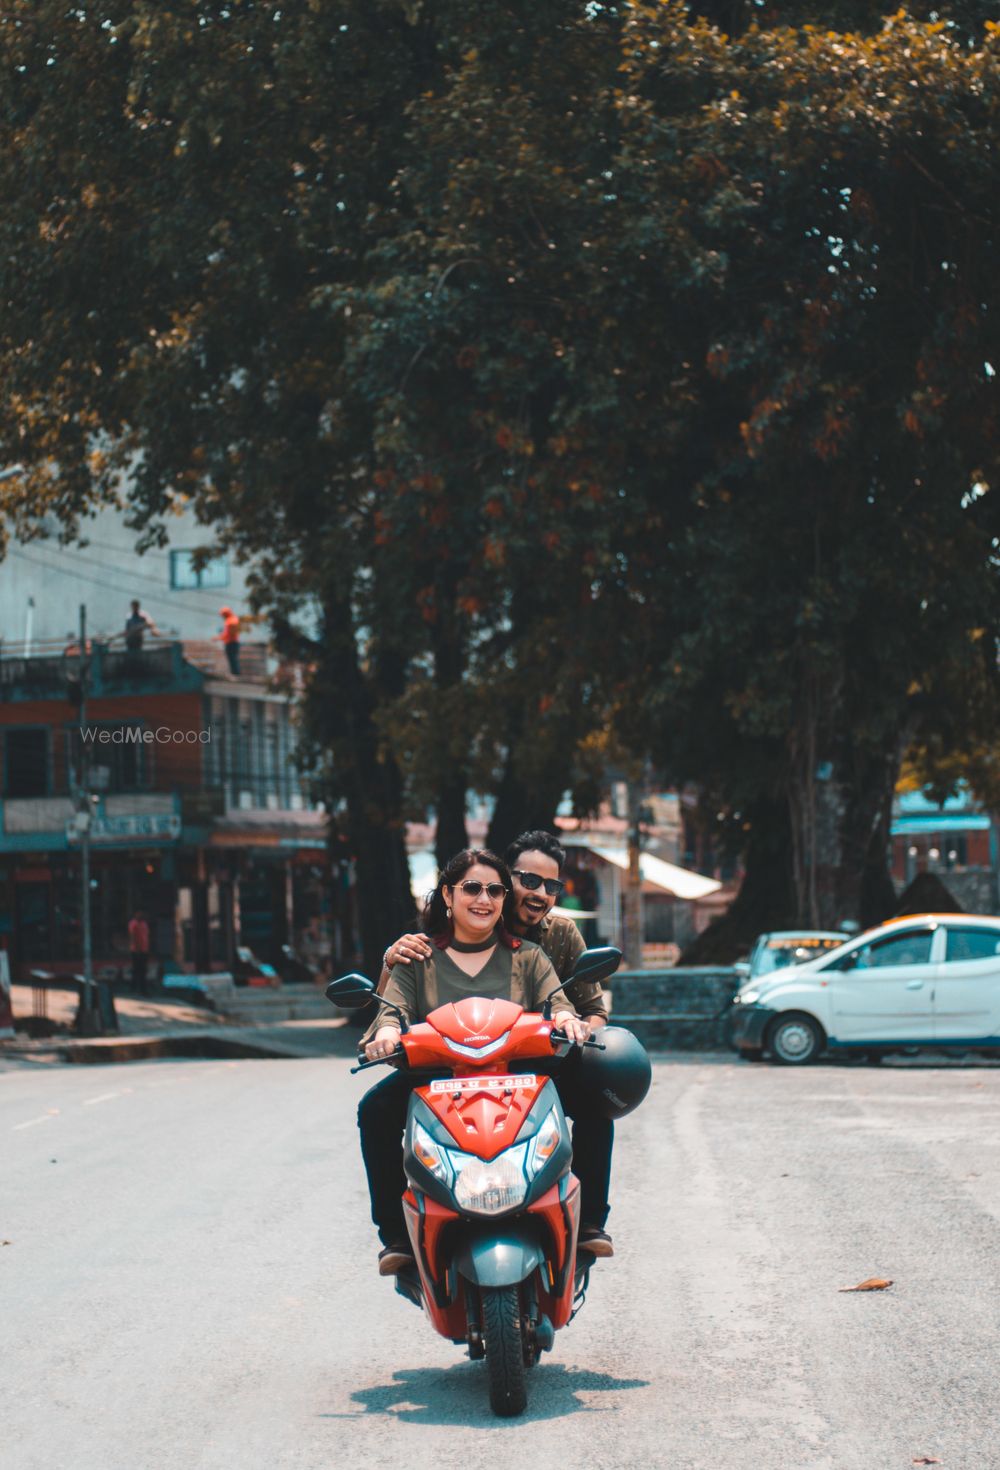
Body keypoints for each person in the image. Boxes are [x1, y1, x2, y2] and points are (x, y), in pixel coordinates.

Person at [358, 847, 594, 1276]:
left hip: (518, 1079)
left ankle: (587, 1222)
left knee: (594, 1096)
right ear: (448, 895)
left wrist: (566, 1019)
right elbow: (390, 1012)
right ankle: (396, 1237)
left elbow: (558, 1003)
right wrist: (388, 1033)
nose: (483, 899)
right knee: (373, 1111)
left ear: (504, 900)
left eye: (494, 890)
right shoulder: (419, 956)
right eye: (471, 888)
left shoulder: (528, 956)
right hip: (435, 1079)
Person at [128, 909, 151, 996]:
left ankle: (137, 988)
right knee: (139, 970)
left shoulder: (144, 923)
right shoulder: (133, 923)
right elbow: (133, 937)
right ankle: (140, 989)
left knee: (142, 970)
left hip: (144, 950)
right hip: (137, 950)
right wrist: (137, 949)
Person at [215, 606, 240, 675]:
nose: (222, 617)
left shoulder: (230, 621)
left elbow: (227, 634)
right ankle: (234, 672)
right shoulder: (233, 619)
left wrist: (218, 638)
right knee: (232, 658)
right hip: (233, 642)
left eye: (223, 615)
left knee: (232, 658)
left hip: (231, 643)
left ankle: (235, 673)